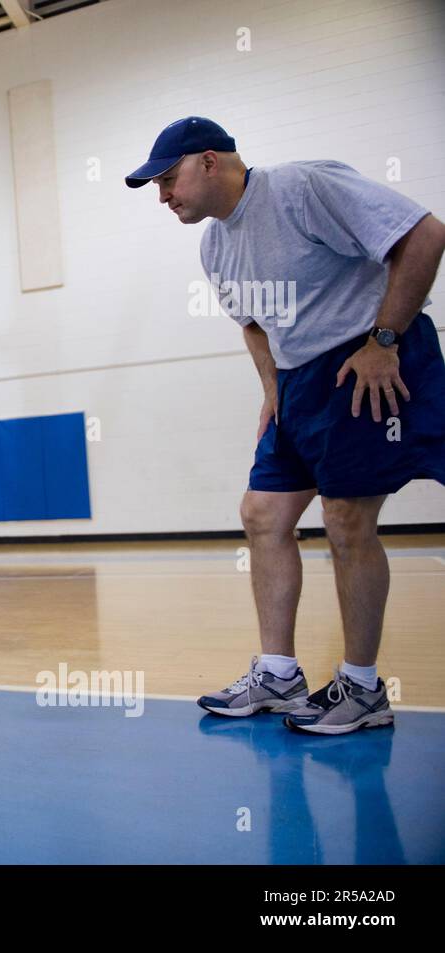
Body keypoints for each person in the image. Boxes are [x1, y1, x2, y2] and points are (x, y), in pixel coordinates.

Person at [126, 117, 445, 734]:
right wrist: (273, 389)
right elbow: (252, 322)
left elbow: (426, 234)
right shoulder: (214, 245)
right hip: (299, 384)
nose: (163, 195)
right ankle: (278, 674)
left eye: (169, 179)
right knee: (262, 514)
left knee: (348, 521)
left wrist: (385, 339)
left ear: (211, 161)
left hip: (366, 361)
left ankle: (362, 688)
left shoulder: (302, 189)